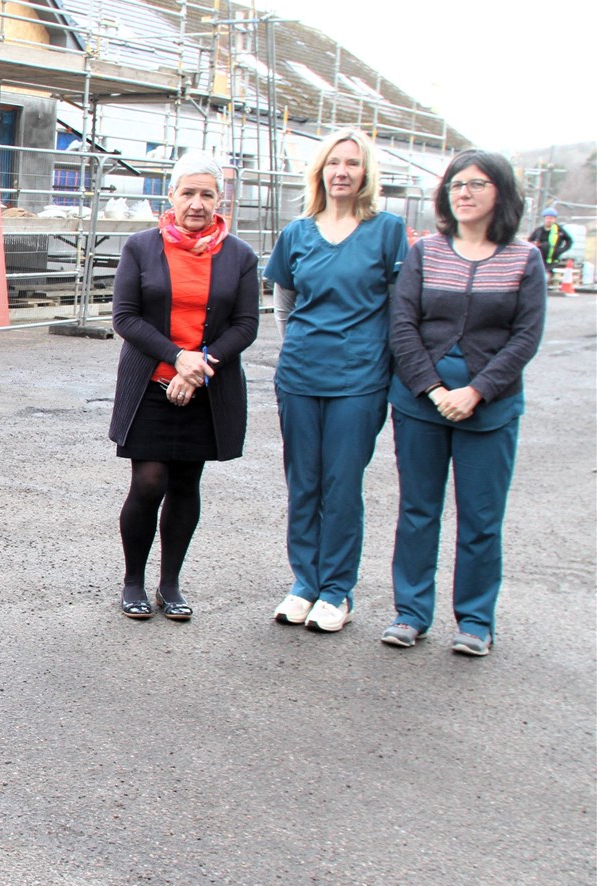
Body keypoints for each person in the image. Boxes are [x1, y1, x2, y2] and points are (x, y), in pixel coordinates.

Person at [383, 151, 545, 657]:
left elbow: (525, 337)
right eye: (456, 184)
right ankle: (411, 613)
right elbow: (403, 325)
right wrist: (432, 389)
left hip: (490, 409)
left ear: (501, 193)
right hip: (420, 403)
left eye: (476, 184)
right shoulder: (426, 252)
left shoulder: (525, 259)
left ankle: (475, 620)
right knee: (417, 510)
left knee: (480, 517)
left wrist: (476, 391)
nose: (464, 192)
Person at [264, 128, 407, 633]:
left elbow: (399, 306)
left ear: (366, 172)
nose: (341, 172)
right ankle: (304, 583)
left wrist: (384, 361)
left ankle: (336, 590)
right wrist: (297, 345)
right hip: (301, 374)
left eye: (352, 163)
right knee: (302, 483)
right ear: (320, 171)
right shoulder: (297, 233)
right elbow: (284, 300)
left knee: (341, 485)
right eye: (332, 163)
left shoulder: (388, 230)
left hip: (359, 380)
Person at [108, 152, 260, 620]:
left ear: (220, 200)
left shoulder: (240, 255)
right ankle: (133, 581)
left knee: (187, 482)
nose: (197, 203)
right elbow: (125, 317)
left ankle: (169, 584)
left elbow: (246, 324)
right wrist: (177, 359)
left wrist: (200, 366)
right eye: (188, 192)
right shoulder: (140, 247)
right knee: (149, 481)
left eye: (207, 194)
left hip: (207, 385)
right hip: (152, 381)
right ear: (171, 196)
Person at [526, 207, 572, 276]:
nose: (549, 220)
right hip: (540, 258)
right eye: (547, 218)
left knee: (547, 275)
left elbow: (569, 241)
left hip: (553, 260)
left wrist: (560, 250)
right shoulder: (539, 230)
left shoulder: (559, 230)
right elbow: (529, 241)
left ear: (554, 219)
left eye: (551, 218)